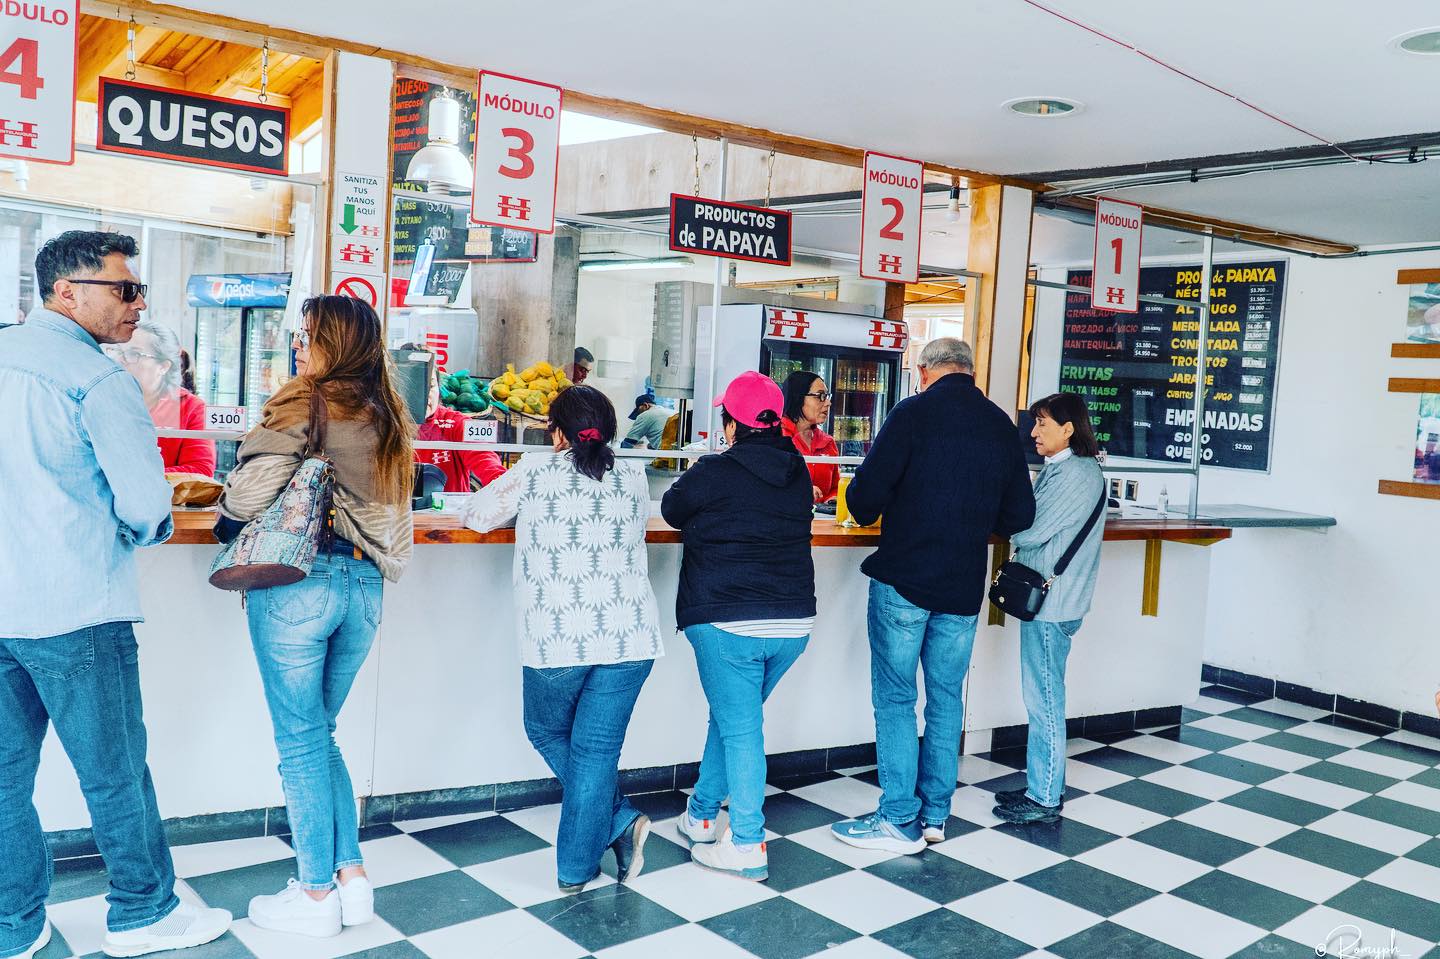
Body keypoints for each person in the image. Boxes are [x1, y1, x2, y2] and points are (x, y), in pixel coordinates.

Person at [0, 230, 231, 958]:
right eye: (124, 288)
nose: (138, 303)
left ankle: (15, 921)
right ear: (68, 291)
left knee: (4, 779)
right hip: (77, 608)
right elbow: (144, 504)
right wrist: (151, 524)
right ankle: (142, 910)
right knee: (115, 770)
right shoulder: (99, 381)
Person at [216, 296, 414, 938]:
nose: (299, 346)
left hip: (302, 585)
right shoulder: (390, 413)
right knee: (319, 736)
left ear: (335, 344)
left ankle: (313, 892)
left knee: (300, 741)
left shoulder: (304, 399)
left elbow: (248, 496)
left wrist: (226, 496)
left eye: (308, 336)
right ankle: (351, 877)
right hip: (365, 589)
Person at [829, 338, 1035, 853]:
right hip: (962, 588)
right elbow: (1019, 517)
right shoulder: (1000, 425)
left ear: (924, 371)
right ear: (968, 370)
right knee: (945, 701)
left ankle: (898, 818)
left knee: (897, 699)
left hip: (905, 580)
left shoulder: (911, 414)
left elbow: (863, 500)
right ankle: (935, 815)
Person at [462, 385, 663, 894]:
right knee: (595, 752)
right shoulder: (634, 475)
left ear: (557, 433)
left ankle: (618, 821)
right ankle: (581, 861)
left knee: (547, 732)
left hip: (558, 640)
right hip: (630, 639)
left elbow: (476, 514)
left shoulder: (536, 471)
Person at [661, 371, 816, 881]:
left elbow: (671, 509)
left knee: (742, 729)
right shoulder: (798, 471)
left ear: (733, 422)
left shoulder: (713, 471)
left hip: (728, 623)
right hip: (792, 625)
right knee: (733, 720)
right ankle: (703, 813)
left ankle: (748, 842)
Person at [993, 393, 1106, 825]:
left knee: (1044, 700)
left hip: (1053, 604)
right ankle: (1042, 785)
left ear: (1068, 428)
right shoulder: (1065, 469)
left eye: (1042, 423)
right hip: (1056, 601)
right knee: (1043, 696)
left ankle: (1044, 798)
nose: (1034, 431)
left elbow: (1030, 531)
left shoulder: (1076, 473)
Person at [108, 320, 217, 477]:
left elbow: (200, 470)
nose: (121, 360)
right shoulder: (106, 400)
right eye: (118, 352)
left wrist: (135, 477)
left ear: (163, 366)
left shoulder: (192, 408)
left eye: (133, 354)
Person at [401, 343, 505, 492]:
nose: (424, 395)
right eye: (413, 386)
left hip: (447, 514)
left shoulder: (458, 423)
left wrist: (506, 487)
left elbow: (487, 461)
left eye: (430, 386)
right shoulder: (382, 426)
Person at [780, 370, 840, 503]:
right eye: (820, 396)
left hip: (822, 521)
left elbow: (835, 488)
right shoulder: (776, 437)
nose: (828, 403)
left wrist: (833, 499)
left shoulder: (828, 443)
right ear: (798, 397)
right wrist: (801, 490)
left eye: (827, 396)